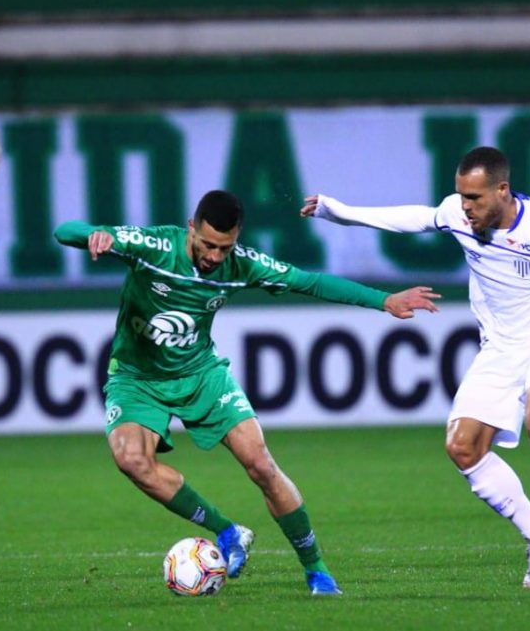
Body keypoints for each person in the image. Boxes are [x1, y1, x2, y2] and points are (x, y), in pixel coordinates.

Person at [53, 190, 440, 595]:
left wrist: (384, 300)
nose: (215, 257)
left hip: (202, 374)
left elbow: (309, 282)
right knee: (132, 460)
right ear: (191, 228)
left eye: (225, 247)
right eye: (207, 245)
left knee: (260, 464)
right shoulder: (152, 247)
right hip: (136, 377)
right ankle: (226, 530)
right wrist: (95, 235)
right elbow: (65, 231)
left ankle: (317, 570)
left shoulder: (243, 264)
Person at [301, 146, 530, 589]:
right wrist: (339, 211)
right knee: (462, 447)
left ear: (502, 190)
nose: (464, 207)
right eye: (460, 196)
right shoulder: (458, 213)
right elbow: (414, 218)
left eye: (474, 198)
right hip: (498, 349)